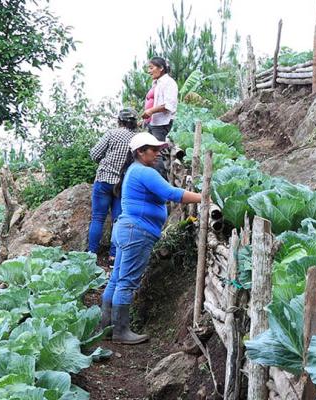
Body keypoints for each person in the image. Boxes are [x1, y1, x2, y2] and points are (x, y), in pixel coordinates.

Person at [100, 132, 201, 344]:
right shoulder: (144, 172)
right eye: (153, 150)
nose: (157, 153)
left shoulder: (134, 170)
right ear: (140, 152)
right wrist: (205, 196)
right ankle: (121, 331)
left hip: (126, 229)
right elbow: (173, 194)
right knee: (126, 282)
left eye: (158, 149)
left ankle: (107, 326)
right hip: (137, 232)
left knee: (117, 279)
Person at [88, 109, 140, 264]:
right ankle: (113, 256)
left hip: (104, 180)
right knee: (118, 220)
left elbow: (95, 154)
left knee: (98, 218)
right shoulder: (137, 139)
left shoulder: (112, 133)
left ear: (120, 120)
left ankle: (91, 255)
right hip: (122, 184)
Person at [141, 56, 177, 178]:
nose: (149, 71)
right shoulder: (156, 83)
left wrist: (151, 111)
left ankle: (161, 182)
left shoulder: (169, 83)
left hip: (161, 123)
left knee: (156, 153)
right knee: (150, 152)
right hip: (153, 123)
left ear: (161, 68)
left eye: (151, 68)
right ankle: (153, 180)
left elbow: (168, 105)